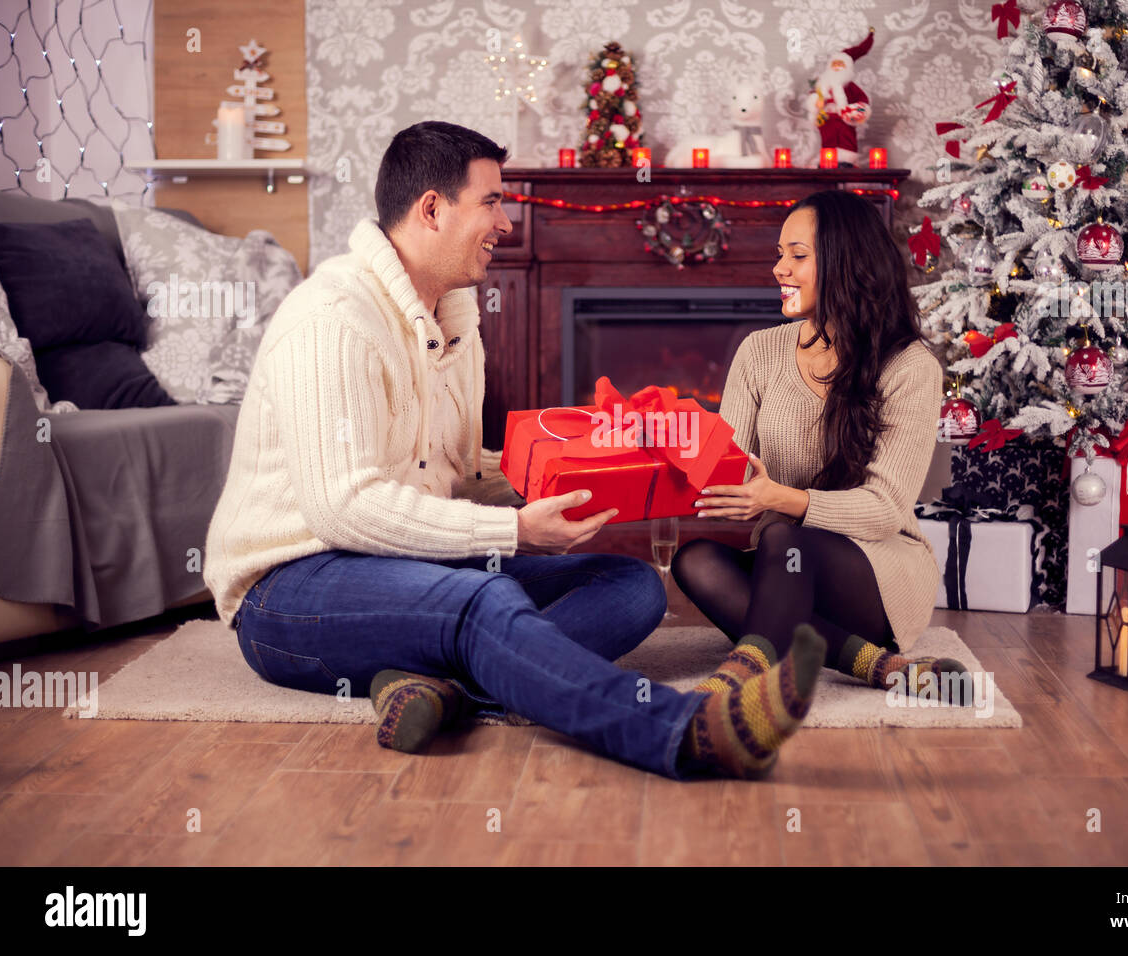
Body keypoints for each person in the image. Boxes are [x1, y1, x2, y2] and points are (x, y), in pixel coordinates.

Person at [203, 120, 826, 780]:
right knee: (484, 604)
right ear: (433, 209)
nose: (507, 222)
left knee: (630, 586)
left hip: (405, 559)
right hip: (294, 587)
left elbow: (461, 471)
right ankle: (684, 734)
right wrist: (517, 531)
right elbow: (341, 507)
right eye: (493, 202)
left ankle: (439, 688)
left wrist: (627, 470)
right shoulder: (333, 318)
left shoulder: (451, 319)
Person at [673, 189, 969, 701]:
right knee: (695, 561)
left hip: (876, 569)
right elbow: (729, 466)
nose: (779, 269)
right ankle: (881, 668)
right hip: (781, 565)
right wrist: (659, 443)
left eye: (798, 256)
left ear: (846, 263)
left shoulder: (910, 366)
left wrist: (777, 500)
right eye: (779, 255)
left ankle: (745, 674)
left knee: (783, 539)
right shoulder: (760, 351)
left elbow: (883, 511)